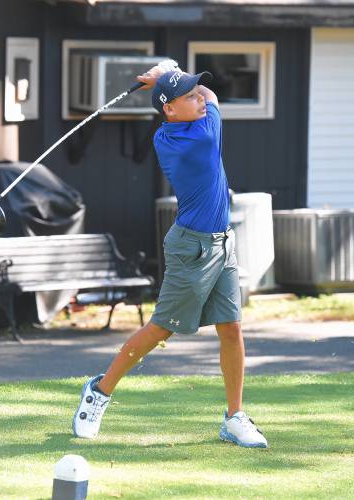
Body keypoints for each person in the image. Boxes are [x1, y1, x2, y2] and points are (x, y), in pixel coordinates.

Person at [72, 63, 268, 448]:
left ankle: (234, 417)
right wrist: (169, 70)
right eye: (188, 97)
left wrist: (169, 77)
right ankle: (99, 391)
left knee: (231, 328)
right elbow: (213, 101)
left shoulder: (175, 128)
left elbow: (204, 96)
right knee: (162, 327)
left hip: (221, 243)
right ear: (169, 111)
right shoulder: (197, 137)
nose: (199, 98)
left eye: (197, 92)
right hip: (192, 248)